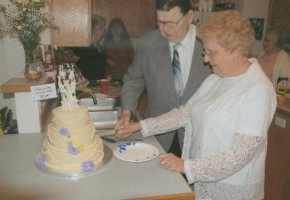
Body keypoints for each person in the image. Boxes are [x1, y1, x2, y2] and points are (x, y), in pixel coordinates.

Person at [116, 10, 277, 200]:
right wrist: (140, 126)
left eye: (212, 53)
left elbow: (238, 155)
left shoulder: (258, 90)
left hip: (232, 188)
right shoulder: (216, 79)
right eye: (205, 51)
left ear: (236, 51)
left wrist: (185, 166)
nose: (205, 59)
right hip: (204, 182)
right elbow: (184, 113)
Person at [115, 0, 211, 154]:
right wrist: (127, 111)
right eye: (160, 23)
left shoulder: (210, 42)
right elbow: (134, 80)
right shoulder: (147, 43)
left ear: (190, 16)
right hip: (159, 135)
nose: (165, 30)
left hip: (198, 135)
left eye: (171, 23)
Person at [71, 15, 108, 82]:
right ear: (96, 28)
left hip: (98, 82)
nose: (104, 29)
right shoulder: (83, 44)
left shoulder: (97, 43)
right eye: (103, 26)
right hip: (88, 84)